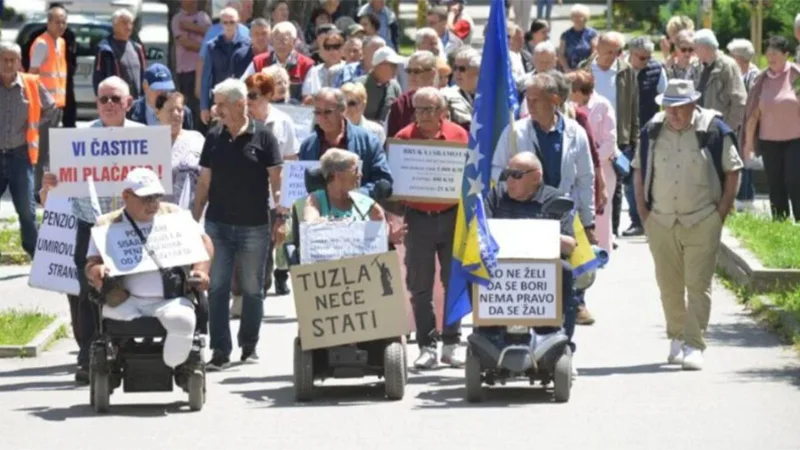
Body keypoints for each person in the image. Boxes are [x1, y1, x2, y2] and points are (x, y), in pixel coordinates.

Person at [39, 75, 143, 384]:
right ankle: (87, 355)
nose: (109, 104)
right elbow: (49, 198)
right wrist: (48, 187)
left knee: (133, 288)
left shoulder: (145, 138)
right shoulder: (79, 139)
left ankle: (126, 347)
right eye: (103, 99)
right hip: (91, 226)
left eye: (115, 99)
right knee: (86, 292)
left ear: (128, 103)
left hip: (132, 225)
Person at [633, 79, 742, 371]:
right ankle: (677, 338)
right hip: (662, 221)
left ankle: (694, 344)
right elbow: (639, 170)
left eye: (679, 108)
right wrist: (644, 213)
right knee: (668, 286)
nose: (674, 114)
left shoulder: (714, 130)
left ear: (693, 104)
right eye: (668, 107)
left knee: (698, 285)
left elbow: (733, 171)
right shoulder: (652, 130)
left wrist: (720, 214)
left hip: (702, 219)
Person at [193, 78, 284, 370]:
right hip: (217, 225)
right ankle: (220, 350)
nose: (216, 109)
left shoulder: (264, 137)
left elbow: (277, 182)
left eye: (221, 103)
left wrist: (280, 219)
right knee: (216, 287)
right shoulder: (214, 136)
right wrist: (194, 222)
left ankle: (249, 345)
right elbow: (204, 181)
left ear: (240, 103)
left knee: (252, 288)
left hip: (255, 226)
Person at [84, 168, 213, 370]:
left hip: (170, 299)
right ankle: (122, 354)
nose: (152, 204)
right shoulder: (107, 225)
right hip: (126, 298)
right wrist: (96, 270)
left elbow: (204, 242)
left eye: (156, 197)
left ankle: (172, 364)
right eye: (146, 198)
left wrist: (201, 270)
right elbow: (92, 263)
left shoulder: (174, 215)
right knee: (112, 319)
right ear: (126, 196)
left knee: (184, 320)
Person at [393, 87, 469, 369]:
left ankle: (452, 343)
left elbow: (468, 177)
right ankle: (427, 346)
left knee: (454, 282)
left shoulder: (459, 136)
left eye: (428, 109)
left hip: (452, 217)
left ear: (442, 112)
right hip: (418, 219)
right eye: (418, 109)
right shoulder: (402, 139)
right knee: (420, 285)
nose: (422, 115)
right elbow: (396, 185)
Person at [484, 152, 577, 375]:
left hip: (541, 269)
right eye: (507, 174)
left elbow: (569, 245)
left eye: (516, 175)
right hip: (502, 267)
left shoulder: (554, 198)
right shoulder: (496, 196)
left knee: (565, 271)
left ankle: (558, 337)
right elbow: (481, 234)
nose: (509, 180)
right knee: (472, 269)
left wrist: (535, 233)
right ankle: (487, 332)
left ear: (536, 177)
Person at [0, 42, 57, 259]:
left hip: (19, 155)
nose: (7, 63)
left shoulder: (31, 84)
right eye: (3, 59)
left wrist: (34, 123)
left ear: (19, 63)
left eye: (12, 59)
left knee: (27, 210)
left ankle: (36, 255)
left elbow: (51, 108)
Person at [585, 32, 639, 242]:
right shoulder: (585, 68)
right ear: (597, 48)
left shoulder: (626, 71)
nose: (612, 56)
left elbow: (633, 106)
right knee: (589, 183)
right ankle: (591, 230)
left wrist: (633, 139)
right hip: (590, 133)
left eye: (616, 52)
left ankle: (612, 231)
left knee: (614, 186)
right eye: (608, 52)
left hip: (618, 137)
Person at [741, 37, 800, 222]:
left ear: (786, 55)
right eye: (768, 53)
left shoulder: (796, 75)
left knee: (794, 179)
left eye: (775, 53)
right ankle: (779, 223)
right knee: (775, 183)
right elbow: (753, 115)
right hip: (769, 141)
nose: (770, 56)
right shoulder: (761, 80)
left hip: (795, 139)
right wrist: (748, 143)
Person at [298, 88, 392, 198]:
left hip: (358, 210)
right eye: (318, 112)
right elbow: (300, 185)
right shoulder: (308, 146)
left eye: (328, 112)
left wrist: (354, 196)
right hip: (318, 211)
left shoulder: (368, 141)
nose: (322, 117)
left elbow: (383, 181)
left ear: (342, 110)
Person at [301, 149, 405, 244]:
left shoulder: (367, 204)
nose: (360, 175)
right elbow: (310, 225)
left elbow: (379, 237)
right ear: (338, 175)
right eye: (355, 170)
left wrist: (389, 238)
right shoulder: (315, 200)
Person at [568, 70, 616, 254]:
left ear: (579, 91)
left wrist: (589, 160)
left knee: (602, 214)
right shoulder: (570, 108)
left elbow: (610, 140)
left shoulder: (602, 105)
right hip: (576, 168)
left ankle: (602, 252)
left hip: (602, 167)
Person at [29, 4, 67, 192]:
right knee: (41, 153)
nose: (61, 26)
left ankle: (46, 190)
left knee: (51, 153)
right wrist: (46, 103)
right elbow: (32, 76)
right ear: (49, 22)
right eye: (57, 22)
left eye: (64, 22)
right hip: (45, 108)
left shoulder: (60, 42)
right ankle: (36, 192)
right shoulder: (42, 43)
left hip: (57, 107)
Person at [200, 7, 252, 125]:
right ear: (221, 24)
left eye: (232, 22)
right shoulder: (212, 46)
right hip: (219, 101)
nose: (228, 25)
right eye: (225, 22)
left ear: (238, 22)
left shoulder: (247, 45)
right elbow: (206, 78)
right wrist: (204, 106)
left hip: (239, 100)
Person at [241, 22, 314, 102]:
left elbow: (309, 97)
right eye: (277, 39)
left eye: (284, 40)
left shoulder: (306, 65)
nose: (280, 43)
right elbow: (243, 86)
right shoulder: (259, 61)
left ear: (294, 41)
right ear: (271, 41)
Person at [154, 91, 205, 205]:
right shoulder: (149, 143)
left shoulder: (197, 138)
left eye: (180, 110)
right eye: (170, 110)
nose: (176, 114)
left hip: (192, 213)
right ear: (158, 113)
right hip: (161, 213)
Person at [726, 38, 759, 213]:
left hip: (749, 126)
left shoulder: (755, 76)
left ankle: (746, 200)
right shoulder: (734, 74)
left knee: (746, 160)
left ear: (741, 58)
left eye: (732, 56)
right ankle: (742, 198)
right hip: (737, 125)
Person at [693, 29, 746, 132]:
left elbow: (739, 101)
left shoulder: (728, 66)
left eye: (696, 47)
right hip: (701, 127)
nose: (694, 51)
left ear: (706, 48)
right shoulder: (698, 65)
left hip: (720, 128)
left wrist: (728, 129)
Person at [171, 0, 212, 131]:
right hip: (186, 72)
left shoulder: (204, 17)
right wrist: (205, 49)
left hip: (203, 70)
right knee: (188, 107)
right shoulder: (177, 19)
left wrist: (192, 27)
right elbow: (185, 43)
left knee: (202, 105)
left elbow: (211, 35)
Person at [92, 8, 146, 99]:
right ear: (114, 25)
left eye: (130, 23)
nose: (129, 26)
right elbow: (98, 78)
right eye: (124, 23)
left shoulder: (137, 48)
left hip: (137, 102)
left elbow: (144, 76)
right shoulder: (105, 50)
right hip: (116, 102)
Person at [386, 50, 438, 138]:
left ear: (432, 74)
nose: (411, 75)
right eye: (409, 71)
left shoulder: (446, 102)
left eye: (417, 71)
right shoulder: (400, 104)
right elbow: (392, 142)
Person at [128, 64, 194, 129]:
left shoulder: (183, 112)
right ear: (145, 86)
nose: (163, 94)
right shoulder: (129, 111)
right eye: (158, 89)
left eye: (167, 89)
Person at [355, 44, 402, 122]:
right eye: (392, 65)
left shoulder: (394, 86)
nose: (395, 68)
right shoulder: (359, 85)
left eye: (396, 65)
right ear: (378, 65)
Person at [301, 30, 346, 103]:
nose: (332, 51)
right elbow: (306, 97)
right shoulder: (314, 71)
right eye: (327, 47)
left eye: (336, 46)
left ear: (343, 48)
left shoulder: (349, 69)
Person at [442, 46, 479, 132]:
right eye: (455, 68)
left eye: (462, 69)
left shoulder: (491, 95)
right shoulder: (445, 95)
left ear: (477, 70)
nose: (457, 73)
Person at [558, 4, 597, 72]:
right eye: (574, 16)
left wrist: (587, 68)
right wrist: (566, 69)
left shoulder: (592, 33)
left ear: (585, 18)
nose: (577, 19)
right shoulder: (565, 34)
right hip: (569, 70)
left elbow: (594, 52)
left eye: (580, 16)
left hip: (587, 70)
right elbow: (561, 54)